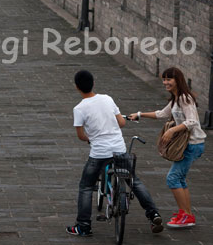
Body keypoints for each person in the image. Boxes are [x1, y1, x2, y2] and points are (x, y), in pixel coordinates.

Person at [66, 70, 163, 237]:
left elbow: (81, 136)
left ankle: (83, 226)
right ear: (93, 84)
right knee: (134, 181)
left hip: (99, 154)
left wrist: (91, 138)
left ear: (77, 87)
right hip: (119, 150)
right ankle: (153, 214)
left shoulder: (79, 108)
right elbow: (122, 122)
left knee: (86, 187)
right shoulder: (107, 98)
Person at [130, 67, 206, 228]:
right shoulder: (176, 98)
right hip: (189, 145)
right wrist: (140, 114)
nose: (165, 83)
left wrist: (172, 130)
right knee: (180, 179)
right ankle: (185, 213)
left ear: (177, 80)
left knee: (173, 178)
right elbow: (161, 114)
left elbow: (193, 121)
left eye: (168, 79)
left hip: (193, 144)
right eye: (163, 79)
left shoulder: (185, 98)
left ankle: (187, 216)